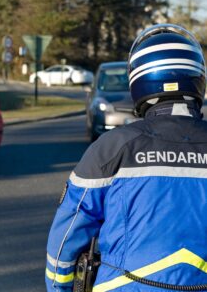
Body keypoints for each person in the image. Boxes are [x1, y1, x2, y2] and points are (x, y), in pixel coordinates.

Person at [45, 24, 207, 292]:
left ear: (139, 80)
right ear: (198, 78)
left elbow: (68, 230)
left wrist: (57, 287)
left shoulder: (113, 147)